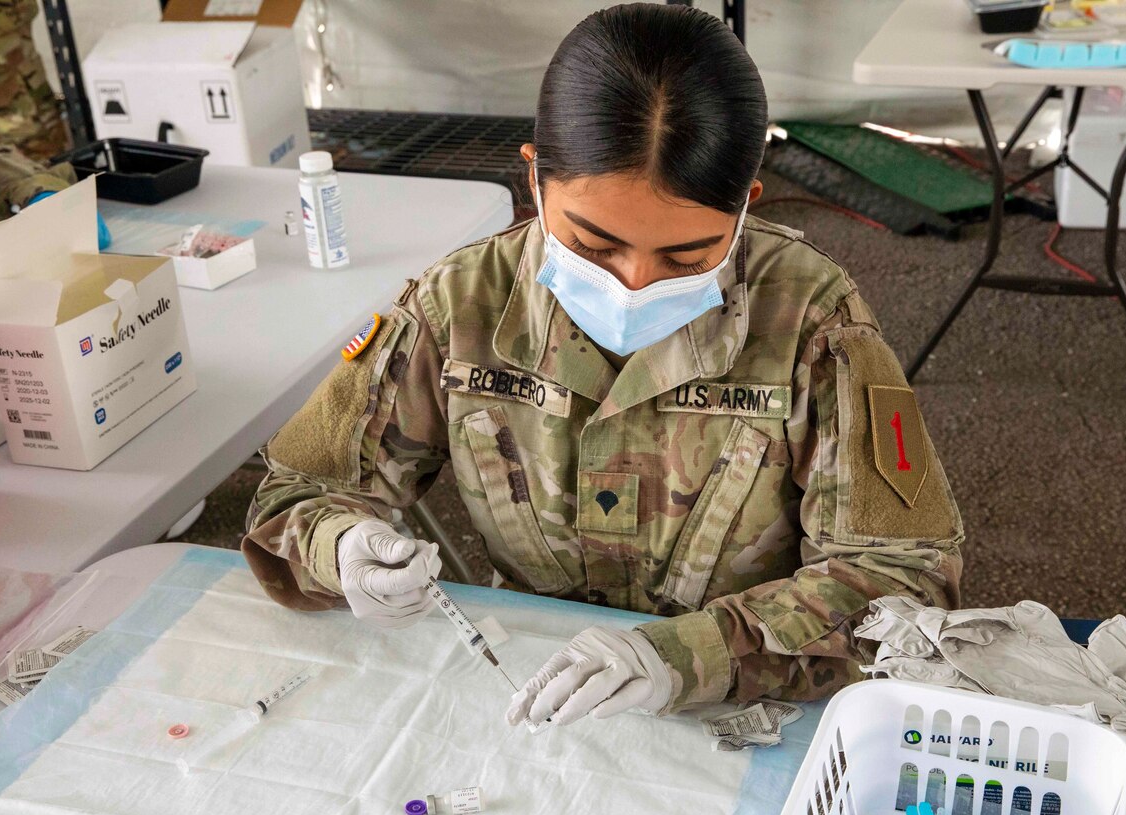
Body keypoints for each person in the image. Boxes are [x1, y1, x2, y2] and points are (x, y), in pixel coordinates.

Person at [242, 3, 963, 730]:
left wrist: (687, 655)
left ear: (746, 207)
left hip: (743, 702)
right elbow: (297, 495)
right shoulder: (456, 305)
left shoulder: (813, 321)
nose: (635, 283)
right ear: (535, 179)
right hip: (527, 688)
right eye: (593, 245)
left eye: (688, 257)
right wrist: (342, 547)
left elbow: (905, 579)